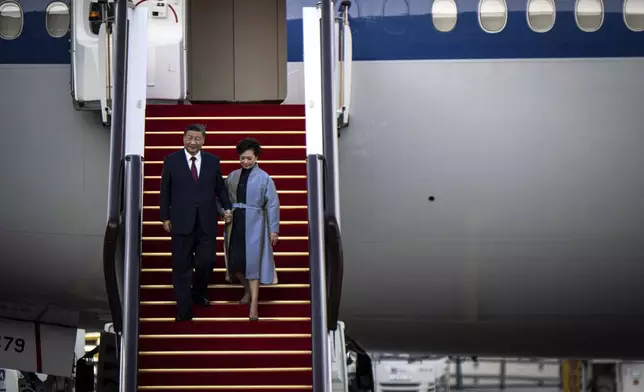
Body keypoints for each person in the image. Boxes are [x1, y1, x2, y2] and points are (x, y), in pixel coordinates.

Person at [159, 123, 233, 321]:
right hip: (181, 221)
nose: (193, 142)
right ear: (183, 138)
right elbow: (164, 190)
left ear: (204, 140)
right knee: (181, 265)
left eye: (197, 138)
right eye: (189, 138)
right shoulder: (171, 160)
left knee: (207, 261)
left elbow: (220, 188)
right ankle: (184, 309)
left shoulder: (212, 161)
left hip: (207, 220)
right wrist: (165, 216)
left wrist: (227, 208)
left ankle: (198, 293)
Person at [222, 138, 280, 321]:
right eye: (242, 158)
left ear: (256, 158)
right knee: (235, 262)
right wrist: (224, 212)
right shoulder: (232, 176)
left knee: (253, 264)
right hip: (235, 223)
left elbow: (272, 205)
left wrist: (273, 230)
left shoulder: (265, 178)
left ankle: (254, 304)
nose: (245, 162)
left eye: (249, 158)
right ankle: (247, 291)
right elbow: (223, 199)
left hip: (256, 223)